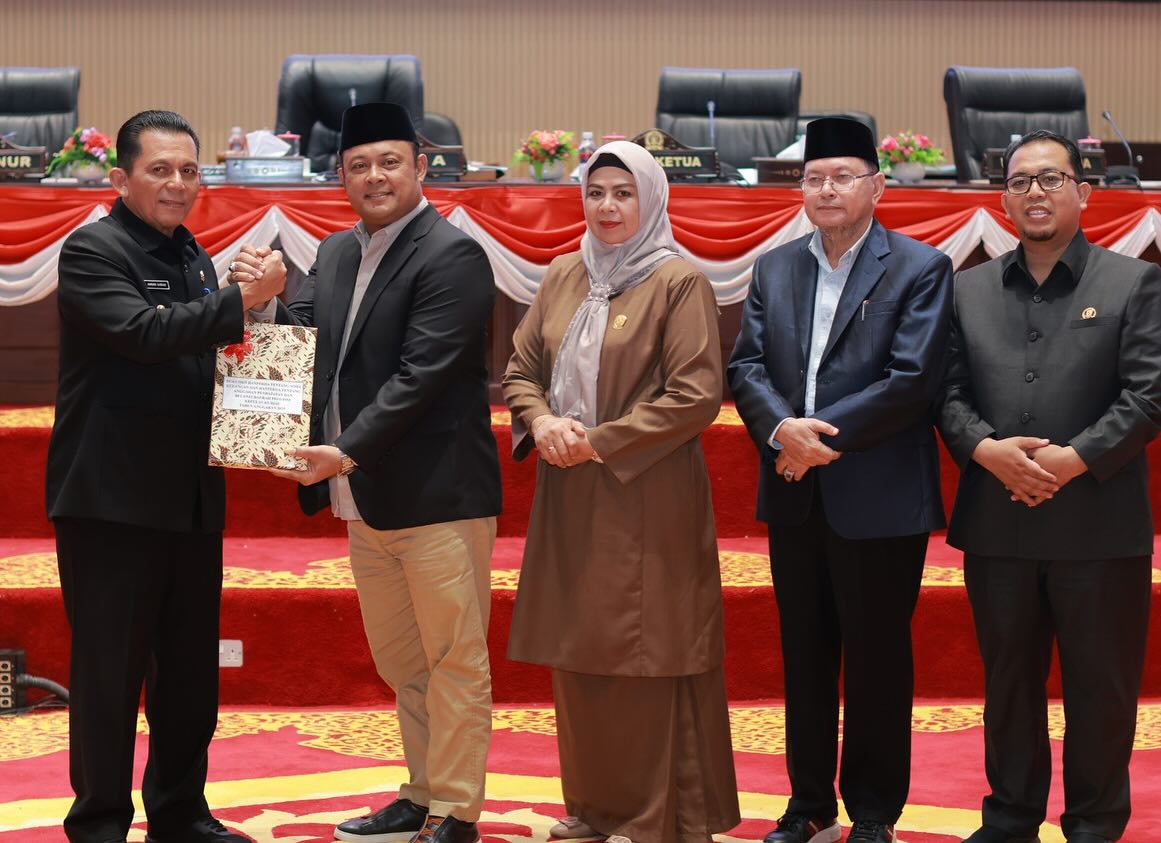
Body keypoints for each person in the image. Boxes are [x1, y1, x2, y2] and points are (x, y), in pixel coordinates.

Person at [263, 102, 501, 843]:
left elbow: (419, 377)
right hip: (363, 498)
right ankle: (420, 789)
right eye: (358, 164)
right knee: (404, 660)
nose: (374, 176)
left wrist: (344, 450)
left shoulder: (451, 256)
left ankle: (457, 808)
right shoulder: (334, 252)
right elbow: (300, 337)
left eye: (389, 161)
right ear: (340, 175)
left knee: (454, 657)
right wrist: (265, 293)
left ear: (421, 167)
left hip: (435, 494)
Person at [46, 109, 286, 843]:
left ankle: (180, 813)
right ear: (120, 178)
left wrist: (259, 316)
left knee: (189, 679)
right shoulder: (94, 250)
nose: (178, 184)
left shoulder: (193, 256)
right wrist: (240, 302)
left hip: (187, 497)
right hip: (111, 501)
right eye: (160, 169)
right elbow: (144, 336)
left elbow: (212, 353)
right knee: (108, 678)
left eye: (189, 170)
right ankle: (99, 824)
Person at [502, 140, 741, 843]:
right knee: (579, 648)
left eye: (622, 193)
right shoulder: (561, 275)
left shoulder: (677, 281)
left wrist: (597, 440)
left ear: (650, 198)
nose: (607, 207)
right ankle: (593, 805)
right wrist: (542, 420)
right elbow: (519, 368)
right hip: (569, 493)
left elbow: (696, 395)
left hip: (646, 490)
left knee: (647, 650)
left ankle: (651, 814)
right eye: (595, 192)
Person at [727, 118, 953, 843]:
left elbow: (911, 380)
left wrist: (811, 436)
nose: (826, 189)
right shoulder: (775, 266)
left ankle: (874, 811)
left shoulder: (919, 267)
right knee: (806, 654)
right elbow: (747, 366)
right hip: (795, 489)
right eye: (814, 177)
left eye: (842, 176)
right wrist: (779, 430)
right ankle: (807, 803)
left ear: (876, 186)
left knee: (878, 658)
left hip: (878, 493)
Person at [936, 130, 1161, 843]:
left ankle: (1094, 823)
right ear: (1001, 199)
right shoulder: (965, 288)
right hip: (997, 522)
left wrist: (1068, 460)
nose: (1035, 192)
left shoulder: (1132, 282)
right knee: (1006, 687)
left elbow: (1148, 395)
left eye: (1051, 179)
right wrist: (985, 449)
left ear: (1082, 193)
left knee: (1100, 689)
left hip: (1097, 523)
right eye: (1021, 181)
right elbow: (944, 394)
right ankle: (1008, 819)